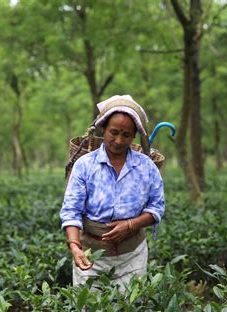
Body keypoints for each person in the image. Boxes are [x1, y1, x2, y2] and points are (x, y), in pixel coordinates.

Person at [60, 95, 165, 290]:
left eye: (126, 135)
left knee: (129, 308)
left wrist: (131, 225)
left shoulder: (146, 167)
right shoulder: (85, 165)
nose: (118, 140)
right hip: (91, 256)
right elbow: (71, 211)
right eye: (113, 132)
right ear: (103, 129)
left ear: (134, 136)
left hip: (132, 256)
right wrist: (74, 246)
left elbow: (157, 207)